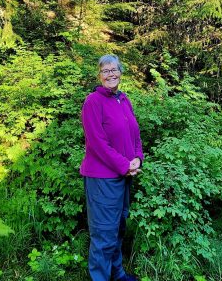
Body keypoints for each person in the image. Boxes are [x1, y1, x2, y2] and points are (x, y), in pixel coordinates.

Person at [80, 54, 143, 281]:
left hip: (124, 176)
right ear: (99, 75)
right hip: (102, 178)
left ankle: (118, 275)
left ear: (120, 72)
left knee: (118, 229)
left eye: (114, 69)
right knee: (104, 234)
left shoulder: (124, 99)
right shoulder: (93, 102)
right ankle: (101, 277)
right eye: (105, 71)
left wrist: (137, 158)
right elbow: (97, 143)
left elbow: (135, 135)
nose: (111, 74)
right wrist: (124, 165)